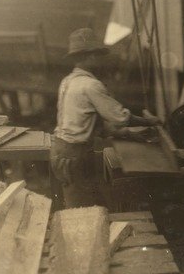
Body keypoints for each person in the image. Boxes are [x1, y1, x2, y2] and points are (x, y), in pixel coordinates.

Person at [51, 28, 160, 208]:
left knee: (82, 203)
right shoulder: (91, 85)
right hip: (75, 156)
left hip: (60, 151)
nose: (101, 60)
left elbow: (90, 124)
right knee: (83, 211)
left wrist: (129, 135)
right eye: (98, 55)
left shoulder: (67, 81)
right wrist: (149, 121)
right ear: (90, 57)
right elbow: (119, 117)